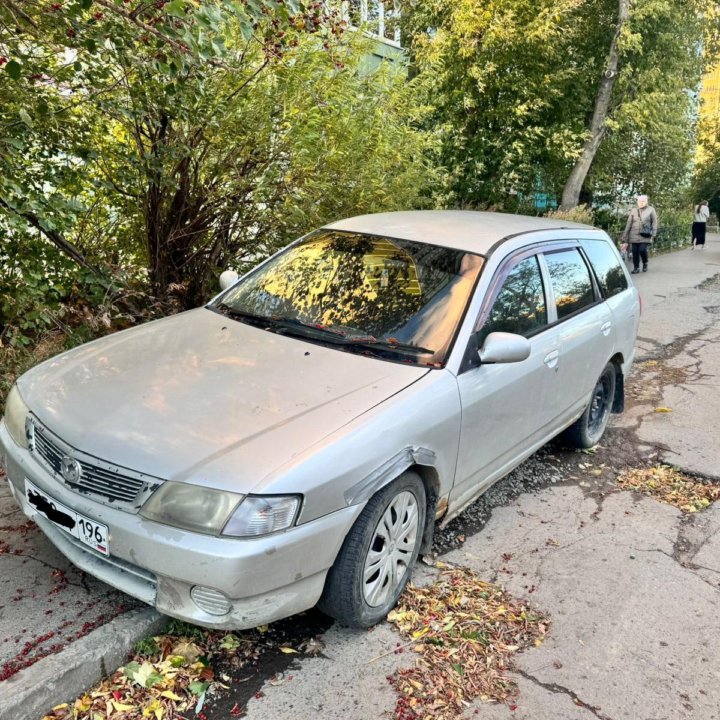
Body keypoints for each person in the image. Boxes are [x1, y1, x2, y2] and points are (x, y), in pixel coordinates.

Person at [621, 195, 658, 274]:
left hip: (645, 234)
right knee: (635, 252)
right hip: (633, 235)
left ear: (646, 201)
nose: (641, 203)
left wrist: (653, 234)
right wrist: (625, 236)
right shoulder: (634, 210)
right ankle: (636, 268)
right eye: (639, 201)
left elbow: (654, 223)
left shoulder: (651, 210)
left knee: (642, 250)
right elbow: (629, 223)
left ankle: (645, 263)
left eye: (643, 201)